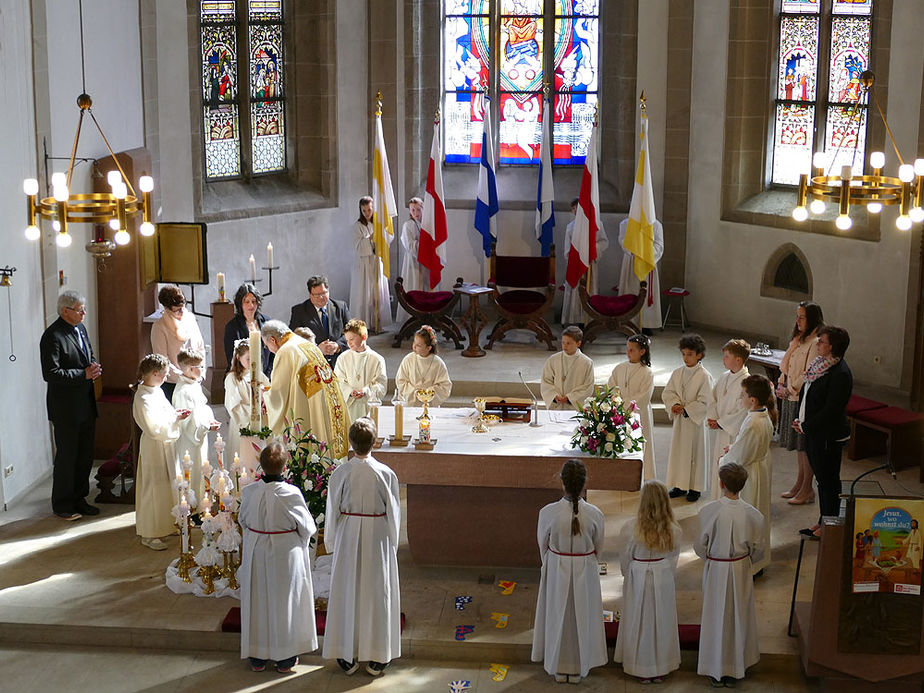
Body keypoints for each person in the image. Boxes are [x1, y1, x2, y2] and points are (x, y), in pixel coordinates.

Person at [323, 418, 401, 677]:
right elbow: (394, 512)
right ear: (375, 442)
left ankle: (346, 654)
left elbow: (332, 509)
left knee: (348, 590)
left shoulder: (341, 473)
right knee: (376, 593)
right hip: (377, 534)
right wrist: (393, 540)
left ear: (350, 442)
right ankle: (378, 655)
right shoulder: (386, 473)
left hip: (348, 534)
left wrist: (332, 541)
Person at [239, 441, 317, 673]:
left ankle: (257, 656)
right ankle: (285, 659)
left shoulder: (249, 491)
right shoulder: (291, 493)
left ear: (260, 465)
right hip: (284, 553)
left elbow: (243, 520)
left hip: (256, 549)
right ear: (284, 467)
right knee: (285, 603)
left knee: (258, 601)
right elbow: (307, 527)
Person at [531, 459, 607, 684]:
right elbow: (598, 548)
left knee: (558, 616)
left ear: (562, 482)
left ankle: (558, 666)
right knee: (582, 616)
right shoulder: (595, 513)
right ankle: (579, 667)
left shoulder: (548, 512)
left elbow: (542, 546)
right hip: (585, 568)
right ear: (585, 484)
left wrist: (553, 563)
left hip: (557, 566)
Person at [695, 463, 765, 687]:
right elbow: (759, 549)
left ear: (721, 484)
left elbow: (699, 546)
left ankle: (715, 669)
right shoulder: (754, 515)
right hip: (741, 568)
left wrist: (711, 558)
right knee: (738, 615)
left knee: (716, 617)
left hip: (716, 568)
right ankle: (735, 668)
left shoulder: (709, 511)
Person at [39, 290, 102, 520]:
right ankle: (63, 504)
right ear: (65, 311)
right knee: (67, 456)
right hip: (65, 408)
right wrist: (83, 374)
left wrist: (93, 367)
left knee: (85, 455)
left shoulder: (81, 329)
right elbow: (51, 373)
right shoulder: (52, 336)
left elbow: (88, 355)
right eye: (79, 309)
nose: (84, 313)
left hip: (85, 403)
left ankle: (79, 498)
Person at [614, 480, 682, 683]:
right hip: (663, 575)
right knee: (660, 621)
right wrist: (664, 575)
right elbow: (673, 559)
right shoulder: (674, 529)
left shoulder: (630, 528)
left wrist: (629, 575)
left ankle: (640, 666)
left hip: (638, 575)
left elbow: (625, 558)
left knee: (639, 621)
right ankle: (660, 667)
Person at [794, 326, 852, 538]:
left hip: (827, 435)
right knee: (822, 479)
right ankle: (823, 521)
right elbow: (808, 395)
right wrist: (801, 420)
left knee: (828, 481)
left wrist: (807, 425)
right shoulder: (820, 365)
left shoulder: (840, 374)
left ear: (832, 347)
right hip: (813, 431)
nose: (817, 344)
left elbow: (831, 410)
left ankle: (829, 526)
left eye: (821, 342)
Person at [261, 320, 350, 458]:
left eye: (267, 346)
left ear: (272, 340)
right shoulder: (304, 343)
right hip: (331, 399)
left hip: (313, 404)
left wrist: (265, 395)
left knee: (316, 451)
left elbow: (279, 392)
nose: (270, 350)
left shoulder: (285, 350)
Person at [718, 374, 776, 576]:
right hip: (758, 468)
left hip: (749, 475)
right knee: (757, 513)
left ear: (752, 400)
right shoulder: (762, 414)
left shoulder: (752, 423)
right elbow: (747, 446)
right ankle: (756, 562)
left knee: (748, 518)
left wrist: (724, 460)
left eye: (742, 394)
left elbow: (740, 457)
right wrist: (734, 446)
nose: (740, 398)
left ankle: (749, 566)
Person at [133, 354, 192, 550]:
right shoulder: (142, 397)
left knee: (168, 486)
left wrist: (176, 415)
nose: (166, 379)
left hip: (166, 444)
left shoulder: (156, 391)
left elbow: (165, 414)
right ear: (155, 373)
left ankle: (168, 524)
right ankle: (150, 533)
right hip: (154, 445)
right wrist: (174, 420)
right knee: (153, 488)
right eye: (164, 375)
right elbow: (153, 427)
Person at [778, 301, 824, 505]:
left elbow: (808, 374)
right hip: (791, 395)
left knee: (805, 447)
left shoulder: (816, 342)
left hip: (802, 397)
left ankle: (807, 489)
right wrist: (793, 344)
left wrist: (790, 388)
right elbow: (784, 365)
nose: (797, 321)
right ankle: (799, 484)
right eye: (797, 316)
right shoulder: (801, 340)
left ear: (812, 319)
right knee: (799, 446)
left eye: (802, 317)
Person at [662, 333, 714, 502]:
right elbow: (668, 392)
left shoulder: (704, 376)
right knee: (679, 453)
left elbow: (706, 401)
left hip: (694, 423)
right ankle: (679, 484)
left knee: (695, 454)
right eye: (683, 354)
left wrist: (686, 410)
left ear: (699, 355)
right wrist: (674, 404)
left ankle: (695, 487)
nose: (685, 358)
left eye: (690, 354)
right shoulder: (678, 373)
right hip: (680, 422)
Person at [172, 348, 220, 506]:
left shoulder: (193, 385)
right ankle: (192, 508)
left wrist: (209, 420)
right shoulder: (183, 391)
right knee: (192, 472)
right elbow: (188, 422)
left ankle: (201, 504)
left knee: (200, 470)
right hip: (189, 440)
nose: (203, 370)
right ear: (190, 369)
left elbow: (202, 409)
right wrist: (207, 426)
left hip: (199, 436)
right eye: (200, 367)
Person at [706, 339, 751, 500]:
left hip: (733, 434)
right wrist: (713, 417)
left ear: (738, 360)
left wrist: (721, 422)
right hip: (720, 429)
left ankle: (730, 499)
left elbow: (743, 411)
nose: (723, 359)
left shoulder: (746, 382)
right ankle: (717, 499)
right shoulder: (724, 376)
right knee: (719, 465)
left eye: (726, 356)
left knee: (730, 467)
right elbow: (712, 398)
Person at [607, 334, 655, 480]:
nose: (628, 352)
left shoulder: (647, 372)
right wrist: (616, 400)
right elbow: (611, 386)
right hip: (619, 413)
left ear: (642, 352)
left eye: (632, 350)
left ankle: (643, 475)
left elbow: (644, 396)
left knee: (640, 443)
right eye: (627, 349)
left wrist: (624, 403)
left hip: (638, 414)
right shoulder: (620, 368)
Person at [150, 285, 205, 401]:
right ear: (166, 308)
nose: (181, 312)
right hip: (173, 384)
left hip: (194, 379)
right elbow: (162, 361)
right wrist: (184, 376)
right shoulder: (159, 327)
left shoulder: (190, 318)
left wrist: (201, 370)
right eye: (176, 310)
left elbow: (200, 347)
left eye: (182, 307)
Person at [561, 198, 609, 326]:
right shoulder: (570, 227)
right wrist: (576, 254)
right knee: (575, 292)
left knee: (589, 290)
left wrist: (592, 249)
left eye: (577, 207)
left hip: (590, 264)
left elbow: (604, 242)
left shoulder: (597, 224)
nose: (575, 210)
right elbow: (567, 249)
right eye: (573, 208)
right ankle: (574, 320)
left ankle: (588, 320)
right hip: (575, 266)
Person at [224, 339, 270, 469]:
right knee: (244, 461)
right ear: (238, 357)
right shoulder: (232, 378)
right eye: (248, 359)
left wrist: (265, 401)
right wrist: (254, 412)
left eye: (255, 358)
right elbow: (234, 405)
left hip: (261, 422)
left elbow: (269, 392)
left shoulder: (259, 375)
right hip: (243, 424)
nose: (252, 363)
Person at [349, 196, 392, 333]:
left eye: (369, 210)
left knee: (377, 293)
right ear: (360, 210)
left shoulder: (378, 224)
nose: (367, 213)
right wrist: (370, 239)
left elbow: (387, 240)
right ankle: (365, 324)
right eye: (364, 210)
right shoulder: (357, 226)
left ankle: (378, 323)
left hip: (376, 261)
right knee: (365, 293)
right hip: (364, 264)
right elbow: (357, 246)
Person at [288, 275, 351, 368]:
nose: (321, 297)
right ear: (310, 295)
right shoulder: (299, 311)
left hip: (340, 361)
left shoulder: (341, 307)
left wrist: (338, 346)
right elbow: (293, 339)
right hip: (313, 364)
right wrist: (317, 348)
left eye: (324, 293)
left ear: (328, 291)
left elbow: (352, 332)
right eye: (316, 295)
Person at [334, 319, 387, 421]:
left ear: (364, 337)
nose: (349, 343)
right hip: (349, 407)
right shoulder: (343, 358)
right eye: (347, 340)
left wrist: (366, 391)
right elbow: (338, 381)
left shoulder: (377, 359)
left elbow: (381, 384)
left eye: (352, 339)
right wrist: (349, 391)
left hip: (368, 407)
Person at [617, 216, 664, 330]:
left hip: (647, 262)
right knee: (630, 291)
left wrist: (646, 252)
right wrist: (635, 250)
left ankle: (646, 325)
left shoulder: (656, 224)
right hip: (631, 262)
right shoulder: (625, 223)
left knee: (646, 293)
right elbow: (622, 240)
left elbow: (659, 244)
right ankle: (628, 323)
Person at [223, 283, 273, 379]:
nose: (251, 305)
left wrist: (267, 375)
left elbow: (273, 353)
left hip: (266, 376)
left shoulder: (267, 322)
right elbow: (232, 357)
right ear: (240, 304)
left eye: (254, 301)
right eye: (247, 302)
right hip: (242, 377)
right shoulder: (232, 327)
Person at [540, 326, 595, 411]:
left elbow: (587, 387)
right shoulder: (553, 359)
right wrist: (554, 395)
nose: (565, 346)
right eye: (563, 342)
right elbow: (546, 381)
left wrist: (570, 397)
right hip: (557, 405)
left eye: (568, 343)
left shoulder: (586, 363)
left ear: (578, 343)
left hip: (574, 408)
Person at [394, 325, 452, 406]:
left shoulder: (438, 363)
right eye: (414, 342)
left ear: (428, 348)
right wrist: (416, 393)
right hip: (411, 405)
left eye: (418, 345)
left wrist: (427, 394)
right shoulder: (408, 359)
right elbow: (401, 381)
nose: (414, 346)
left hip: (430, 406)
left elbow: (445, 386)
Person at [396, 197, 428, 324]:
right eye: (413, 210)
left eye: (418, 209)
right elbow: (409, 245)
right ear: (410, 211)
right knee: (414, 286)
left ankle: (426, 316)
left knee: (424, 287)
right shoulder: (407, 225)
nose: (416, 213)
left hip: (425, 263)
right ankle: (411, 319)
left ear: (423, 209)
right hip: (413, 262)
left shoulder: (426, 224)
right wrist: (424, 246)